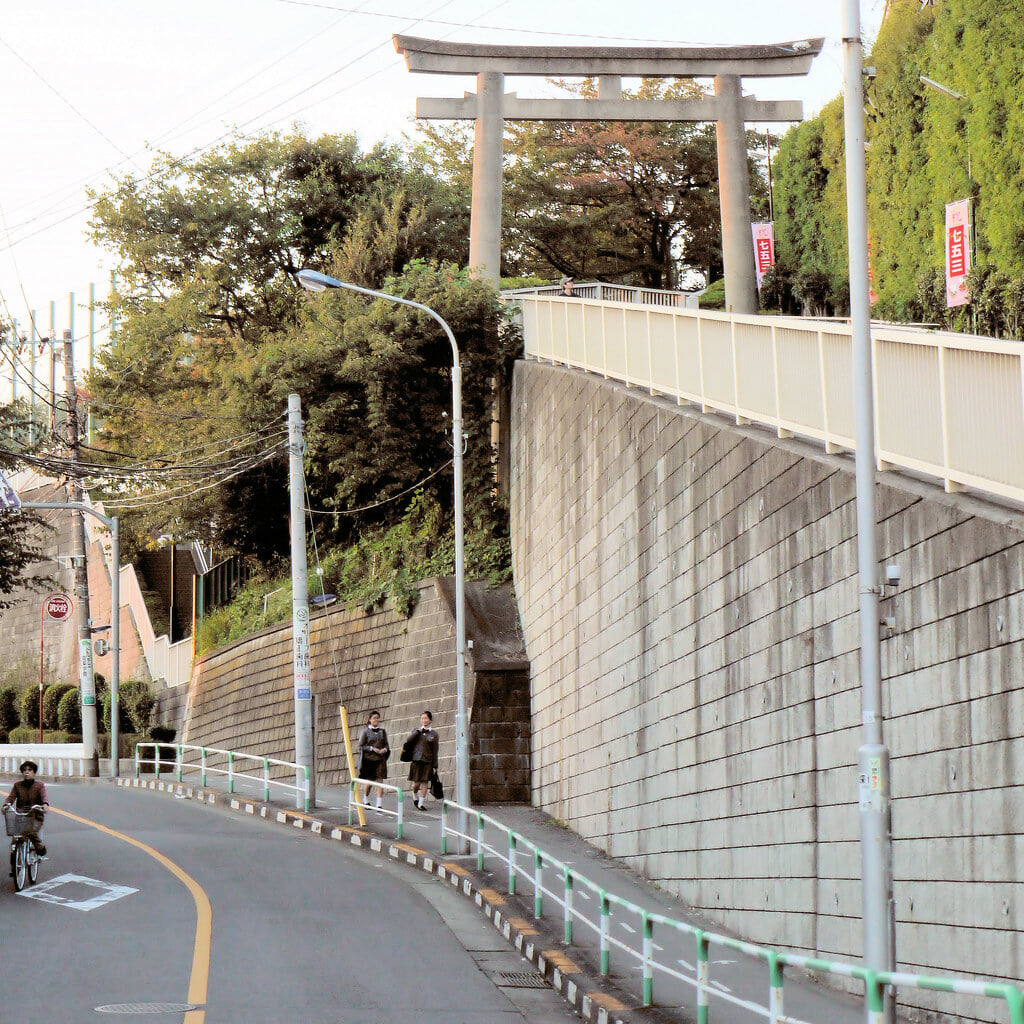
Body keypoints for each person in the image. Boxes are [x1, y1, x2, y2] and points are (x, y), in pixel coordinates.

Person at [3, 760, 49, 857]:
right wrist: (6, 805)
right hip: (21, 815)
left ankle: (38, 846)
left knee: (28, 830)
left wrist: (45, 804)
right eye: (24, 770)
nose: (26, 772)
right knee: (16, 838)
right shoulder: (17, 785)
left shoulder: (40, 786)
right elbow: (11, 797)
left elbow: (44, 797)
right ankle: (14, 858)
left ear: (34, 772)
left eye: (29, 770)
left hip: (35, 815)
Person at [404, 710, 439, 810]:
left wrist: (435, 764)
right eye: (422, 718)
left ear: (430, 720)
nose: (424, 720)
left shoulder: (434, 734)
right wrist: (417, 732)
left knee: (425, 782)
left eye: (426, 718)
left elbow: (435, 750)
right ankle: (415, 795)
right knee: (416, 784)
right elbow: (408, 740)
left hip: (428, 761)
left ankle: (421, 803)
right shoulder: (416, 731)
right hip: (416, 760)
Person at [356, 710, 390, 810]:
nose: (376, 720)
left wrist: (384, 749)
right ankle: (365, 799)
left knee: (380, 780)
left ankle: (379, 804)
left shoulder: (382, 731)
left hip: (380, 759)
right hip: (369, 759)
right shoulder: (365, 731)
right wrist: (372, 748)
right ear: (370, 720)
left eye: (377, 718)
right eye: (374, 718)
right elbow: (360, 747)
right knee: (370, 781)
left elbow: (387, 745)